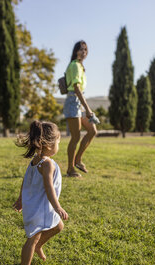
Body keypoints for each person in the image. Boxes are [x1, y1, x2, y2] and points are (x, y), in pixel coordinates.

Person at [13, 120, 68, 265]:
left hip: (39, 204)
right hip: (40, 207)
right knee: (33, 237)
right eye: (58, 142)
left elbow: (26, 180)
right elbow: (49, 188)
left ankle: (38, 246)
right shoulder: (47, 164)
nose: (58, 146)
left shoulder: (36, 160)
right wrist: (58, 207)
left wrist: (20, 198)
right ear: (48, 145)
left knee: (58, 226)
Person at [63, 40, 98, 178]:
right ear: (75, 51)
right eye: (81, 49)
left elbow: (80, 90)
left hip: (78, 100)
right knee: (76, 136)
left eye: (85, 50)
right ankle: (70, 169)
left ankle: (78, 159)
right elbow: (76, 88)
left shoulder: (80, 66)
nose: (83, 52)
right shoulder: (75, 65)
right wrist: (88, 109)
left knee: (92, 130)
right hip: (73, 101)